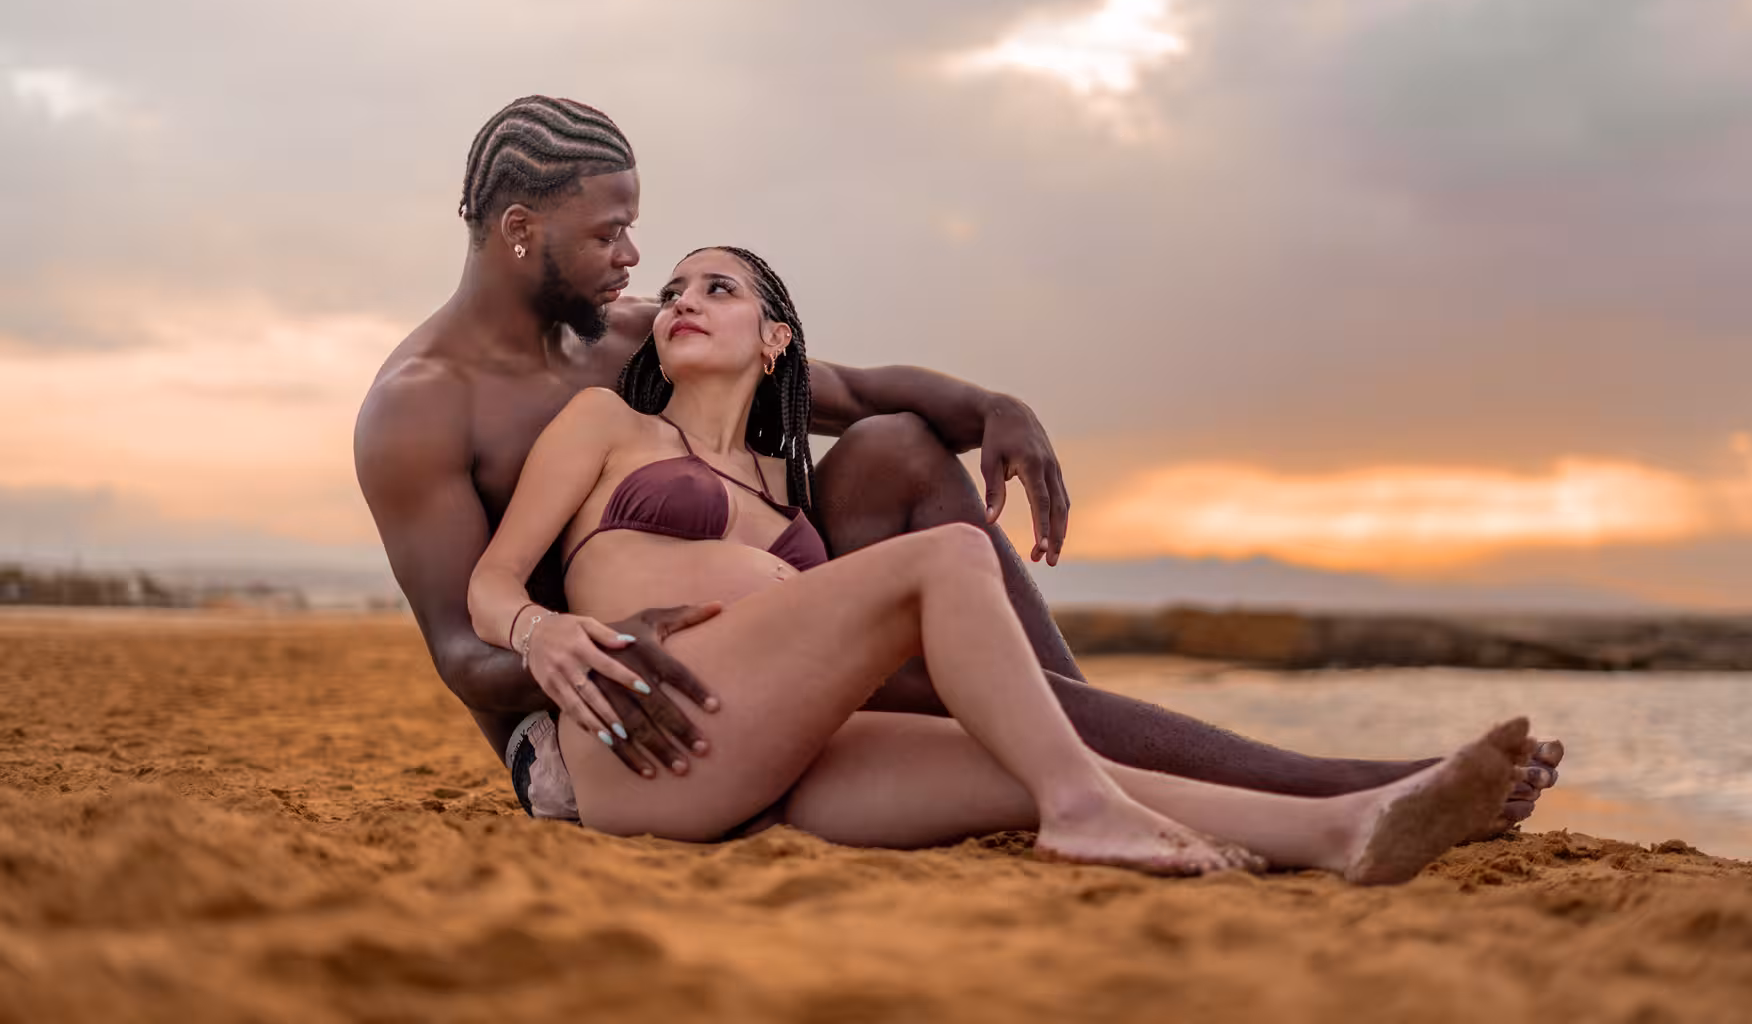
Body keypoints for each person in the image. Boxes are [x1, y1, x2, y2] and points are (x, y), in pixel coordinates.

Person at [353, 96, 1561, 834]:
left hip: (760, 651)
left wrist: (997, 410)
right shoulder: (423, 408)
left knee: (896, 450)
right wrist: (574, 644)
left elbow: (853, 391)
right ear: (522, 229)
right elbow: (466, 649)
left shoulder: (625, 339)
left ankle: (1275, 784)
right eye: (609, 231)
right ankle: (1350, 778)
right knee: (956, 637)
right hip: (619, 728)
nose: (635, 255)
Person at [465, 241, 1533, 878]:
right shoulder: (610, 426)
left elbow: (885, 398)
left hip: (765, 764)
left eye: (718, 288)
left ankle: (1343, 827)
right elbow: (491, 583)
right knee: (946, 561)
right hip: (645, 744)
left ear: (776, 338)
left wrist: (998, 408)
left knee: (1011, 764)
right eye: (675, 290)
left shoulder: (784, 483)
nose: (684, 300)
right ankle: (1083, 810)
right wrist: (542, 631)